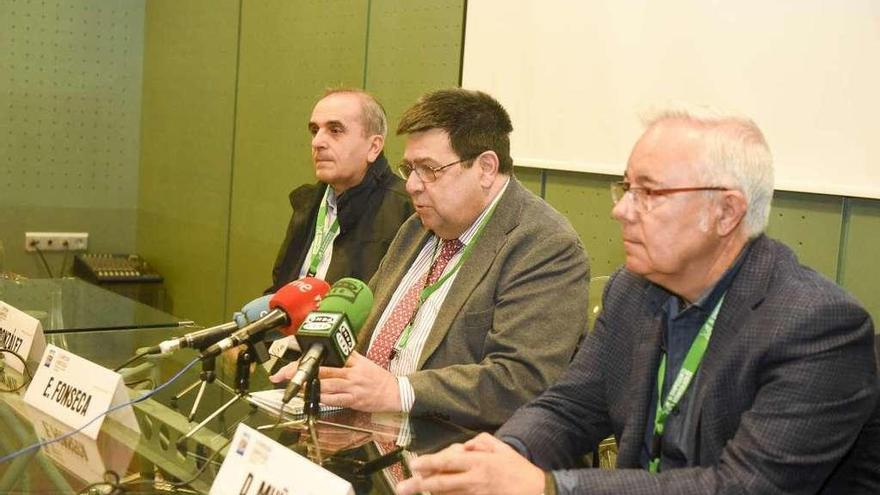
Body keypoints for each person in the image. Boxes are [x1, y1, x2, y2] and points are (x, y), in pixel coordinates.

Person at [395, 107, 880, 495]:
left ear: (726, 211)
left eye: (648, 193)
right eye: (627, 187)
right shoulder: (632, 289)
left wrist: (547, 487)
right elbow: (570, 406)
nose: (620, 210)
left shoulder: (817, 326)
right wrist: (501, 457)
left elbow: (745, 485)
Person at [271, 88, 590, 429]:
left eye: (428, 169)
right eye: (409, 168)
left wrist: (398, 391)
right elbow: (365, 332)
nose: (411, 185)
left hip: (460, 449)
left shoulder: (544, 245)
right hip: (367, 433)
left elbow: (521, 382)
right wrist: (325, 366)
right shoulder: (418, 228)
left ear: (485, 168)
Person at [268, 89, 413, 292]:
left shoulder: (408, 211)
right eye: (314, 130)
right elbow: (281, 286)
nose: (317, 142)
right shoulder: (307, 204)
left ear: (374, 147)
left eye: (335, 130)